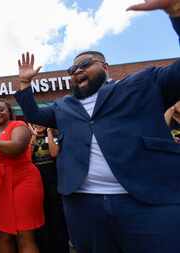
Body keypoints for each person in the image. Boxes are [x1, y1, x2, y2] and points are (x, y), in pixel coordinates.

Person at [14, 1, 180, 252]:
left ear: (104, 67)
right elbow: (34, 114)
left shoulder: (142, 83)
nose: (77, 70)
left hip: (147, 202)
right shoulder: (64, 105)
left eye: (84, 64)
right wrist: (25, 86)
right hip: (84, 206)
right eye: (72, 69)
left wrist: (177, 13)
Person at [0, 99, 44, 253]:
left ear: (9, 112)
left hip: (24, 180)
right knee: (2, 234)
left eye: (1, 109)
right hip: (1, 184)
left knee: (24, 235)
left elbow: (17, 148)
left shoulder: (19, 126)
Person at [29, 124, 69, 253]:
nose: (38, 126)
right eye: (34, 123)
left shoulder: (54, 137)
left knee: (56, 217)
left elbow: (54, 153)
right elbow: (27, 158)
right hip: (36, 184)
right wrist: (33, 137)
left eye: (40, 123)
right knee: (41, 217)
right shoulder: (30, 139)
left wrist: (50, 132)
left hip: (53, 183)